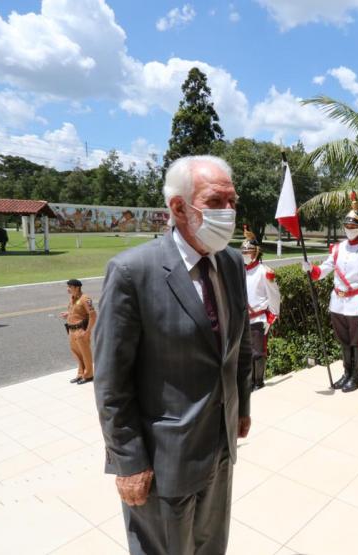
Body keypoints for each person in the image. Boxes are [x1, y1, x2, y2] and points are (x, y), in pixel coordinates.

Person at [93, 155, 253, 555]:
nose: (228, 212)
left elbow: (239, 345)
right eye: (215, 202)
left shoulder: (232, 262)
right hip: (164, 461)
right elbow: (112, 379)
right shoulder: (132, 272)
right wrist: (128, 461)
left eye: (232, 202)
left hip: (220, 446)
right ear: (179, 208)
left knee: (212, 546)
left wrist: (242, 407)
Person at [302, 192, 358, 393]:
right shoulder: (337, 249)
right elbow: (324, 270)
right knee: (344, 341)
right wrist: (311, 269)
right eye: (347, 226)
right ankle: (346, 373)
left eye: (353, 226)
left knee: (357, 342)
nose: (349, 229)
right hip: (338, 302)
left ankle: (356, 376)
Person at [242, 225, 281, 390]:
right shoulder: (241, 271)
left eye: (248, 252)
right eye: (243, 252)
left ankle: (258, 382)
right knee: (246, 353)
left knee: (258, 352)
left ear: (256, 252)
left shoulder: (264, 272)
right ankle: (249, 381)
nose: (245, 255)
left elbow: (274, 295)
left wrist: (272, 316)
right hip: (243, 319)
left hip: (259, 318)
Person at [60, 279, 97, 385]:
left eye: (70, 287)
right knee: (77, 354)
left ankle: (88, 375)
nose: (68, 289)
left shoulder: (85, 299)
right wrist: (68, 314)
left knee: (85, 354)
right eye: (67, 287)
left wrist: (88, 331)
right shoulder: (72, 298)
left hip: (81, 331)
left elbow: (93, 315)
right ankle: (81, 374)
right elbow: (77, 312)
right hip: (71, 330)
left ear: (77, 287)